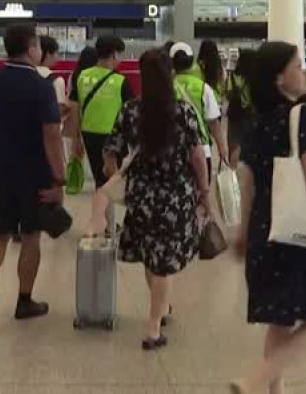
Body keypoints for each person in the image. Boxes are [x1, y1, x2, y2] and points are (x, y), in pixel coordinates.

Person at [229, 41, 306, 394]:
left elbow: (249, 182)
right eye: (297, 66)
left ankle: (273, 389)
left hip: (262, 233)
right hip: (294, 236)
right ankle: (255, 380)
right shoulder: (300, 118)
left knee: (280, 321)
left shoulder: (256, 123)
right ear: (279, 79)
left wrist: (242, 230)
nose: (303, 72)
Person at [104, 48, 210, 350]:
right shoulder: (183, 111)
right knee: (163, 262)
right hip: (175, 196)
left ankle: (161, 307)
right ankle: (152, 327)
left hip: (141, 196)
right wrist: (204, 191)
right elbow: (197, 156)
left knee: (152, 257)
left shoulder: (130, 110)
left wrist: (118, 180)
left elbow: (111, 150)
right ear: (170, 74)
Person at [0, 24, 65, 327]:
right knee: (30, 237)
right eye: (37, 44)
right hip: (34, 175)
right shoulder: (41, 86)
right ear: (30, 47)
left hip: (0, 171)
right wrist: (58, 178)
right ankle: (24, 300)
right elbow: (51, 133)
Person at [70, 36, 134, 188]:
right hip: (114, 137)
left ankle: (103, 210)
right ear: (114, 55)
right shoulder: (120, 81)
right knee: (116, 181)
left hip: (89, 134)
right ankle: (107, 210)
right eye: (120, 54)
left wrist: (76, 138)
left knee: (101, 180)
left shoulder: (82, 76)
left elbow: (74, 107)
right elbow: (130, 111)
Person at [173, 42, 230, 171]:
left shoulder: (167, 87)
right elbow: (214, 124)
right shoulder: (213, 76)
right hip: (201, 142)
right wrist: (222, 149)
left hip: (173, 148)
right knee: (203, 188)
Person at [224, 49, 256, 166]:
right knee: (250, 145)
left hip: (234, 114)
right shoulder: (255, 78)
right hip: (251, 115)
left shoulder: (233, 76)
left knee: (234, 144)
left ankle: (233, 174)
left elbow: (227, 93)